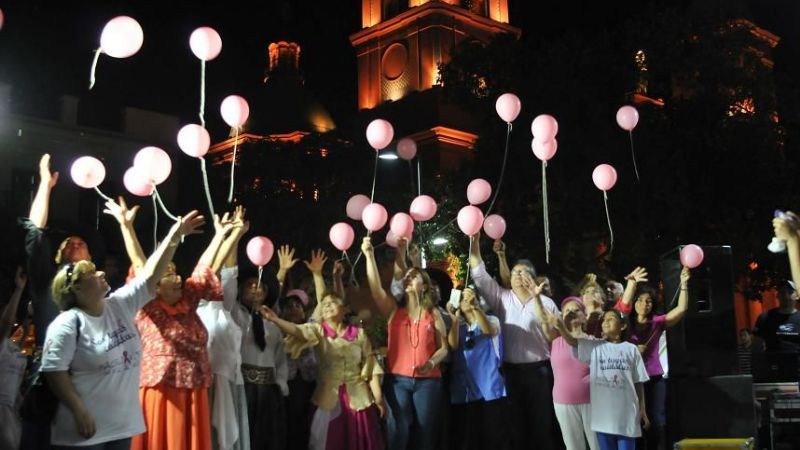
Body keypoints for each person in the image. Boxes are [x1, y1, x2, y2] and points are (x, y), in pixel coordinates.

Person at [41, 208, 204, 449]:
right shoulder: (67, 323)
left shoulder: (119, 305)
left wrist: (174, 236)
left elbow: (150, 275)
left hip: (122, 427)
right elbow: (54, 371)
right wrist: (78, 410)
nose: (101, 272)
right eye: (92, 273)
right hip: (85, 431)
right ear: (75, 288)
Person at [467, 232, 561, 450]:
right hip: (511, 372)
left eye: (522, 272)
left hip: (539, 371)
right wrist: (474, 241)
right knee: (515, 425)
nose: (517, 275)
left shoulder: (547, 303)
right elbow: (479, 273)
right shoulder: (502, 298)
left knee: (541, 424)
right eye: (515, 272)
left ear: (533, 278)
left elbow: (555, 339)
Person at [261, 291, 385, 450]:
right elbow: (297, 330)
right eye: (324, 304)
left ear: (345, 309)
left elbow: (371, 366)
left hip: (358, 399)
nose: (327, 306)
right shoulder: (318, 331)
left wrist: (378, 399)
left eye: (332, 302)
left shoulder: (359, 334)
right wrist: (275, 319)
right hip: (327, 397)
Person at [362, 237, 448, 450]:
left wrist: (431, 363)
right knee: (398, 429)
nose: (408, 278)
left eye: (414, 276)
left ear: (424, 285)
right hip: (398, 381)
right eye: (406, 276)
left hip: (428, 382)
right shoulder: (394, 311)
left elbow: (444, 348)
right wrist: (369, 256)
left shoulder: (433, 313)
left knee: (425, 432)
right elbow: (376, 289)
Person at [197, 206, 251, 450]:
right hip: (207, 382)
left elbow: (230, 273)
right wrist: (228, 236)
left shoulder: (222, 307)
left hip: (231, 380)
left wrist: (237, 237)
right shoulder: (196, 306)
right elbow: (210, 270)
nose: (216, 280)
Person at [557, 309, 649, 450]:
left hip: (627, 418)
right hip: (602, 420)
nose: (605, 322)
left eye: (610, 319)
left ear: (622, 326)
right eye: (604, 320)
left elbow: (638, 382)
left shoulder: (632, 349)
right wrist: (561, 327)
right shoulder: (594, 347)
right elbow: (573, 341)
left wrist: (642, 409)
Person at [627, 266, 691, 450]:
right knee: (635, 422)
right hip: (631, 380)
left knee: (656, 422)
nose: (644, 304)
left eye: (648, 301)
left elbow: (681, 309)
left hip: (654, 378)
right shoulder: (625, 323)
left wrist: (684, 284)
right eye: (640, 300)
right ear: (634, 302)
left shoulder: (657, 322)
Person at [446, 286, 508, 450]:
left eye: (469, 296)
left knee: (493, 438)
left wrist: (475, 307)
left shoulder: (491, 319)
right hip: (466, 392)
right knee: (471, 440)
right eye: (462, 298)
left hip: (490, 389)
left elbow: (488, 331)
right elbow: (452, 345)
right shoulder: (458, 327)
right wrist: (454, 320)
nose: (466, 300)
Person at [542, 296, 599, 450]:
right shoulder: (554, 341)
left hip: (592, 400)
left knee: (597, 446)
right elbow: (542, 317)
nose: (571, 313)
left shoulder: (593, 341)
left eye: (576, 310)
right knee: (573, 447)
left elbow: (576, 344)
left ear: (584, 316)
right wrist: (536, 297)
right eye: (567, 311)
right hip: (563, 402)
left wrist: (561, 328)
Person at [0, 268, 28, 450]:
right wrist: (18, 290)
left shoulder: (12, 346)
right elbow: (6, 324)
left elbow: (17, 350)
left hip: (13, 412)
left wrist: (27, 325)